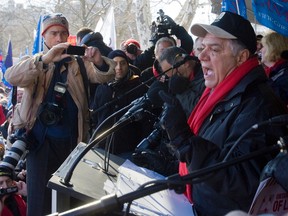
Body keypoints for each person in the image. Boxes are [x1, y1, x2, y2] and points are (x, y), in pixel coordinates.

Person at [159, 11, 288, 215]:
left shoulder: (260, 106)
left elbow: (240, 183)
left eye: (214, 49)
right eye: (202, 48)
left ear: (241, 57)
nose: (201, 56)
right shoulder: (219, 93)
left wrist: (184, 141)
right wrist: (186, 178)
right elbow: (212, 150)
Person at [2, 13, 116, 215]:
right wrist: (45, 60)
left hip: (73, 143)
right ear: (44, 37)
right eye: (54, 33)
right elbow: (11, 76)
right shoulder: (35, 61)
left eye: (63, 33)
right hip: (40, 144)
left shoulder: (79, 63)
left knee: (70, 202)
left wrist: (99, 61)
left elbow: (105, 74)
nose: (59, 38)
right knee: (40, 201)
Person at [132, 47, 205, 176]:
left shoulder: (205, 78)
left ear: (184, 62)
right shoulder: (183, 79)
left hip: (193, 150)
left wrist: (180, 93)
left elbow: (197, 109)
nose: (170, 77)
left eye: (173, 71)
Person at [92, 50, 152, 157]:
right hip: (103, 146)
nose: (119, 67)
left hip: (129, 149)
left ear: (128, 65)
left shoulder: (139, 87)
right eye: (115, 63)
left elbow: (146, 122)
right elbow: (96, 116)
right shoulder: (102, 88)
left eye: (123, 63)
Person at [260, 31, 288, 106]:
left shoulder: (285, 75)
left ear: (272, 48)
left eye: (263, 46)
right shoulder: (274, 71)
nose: (260, 50)